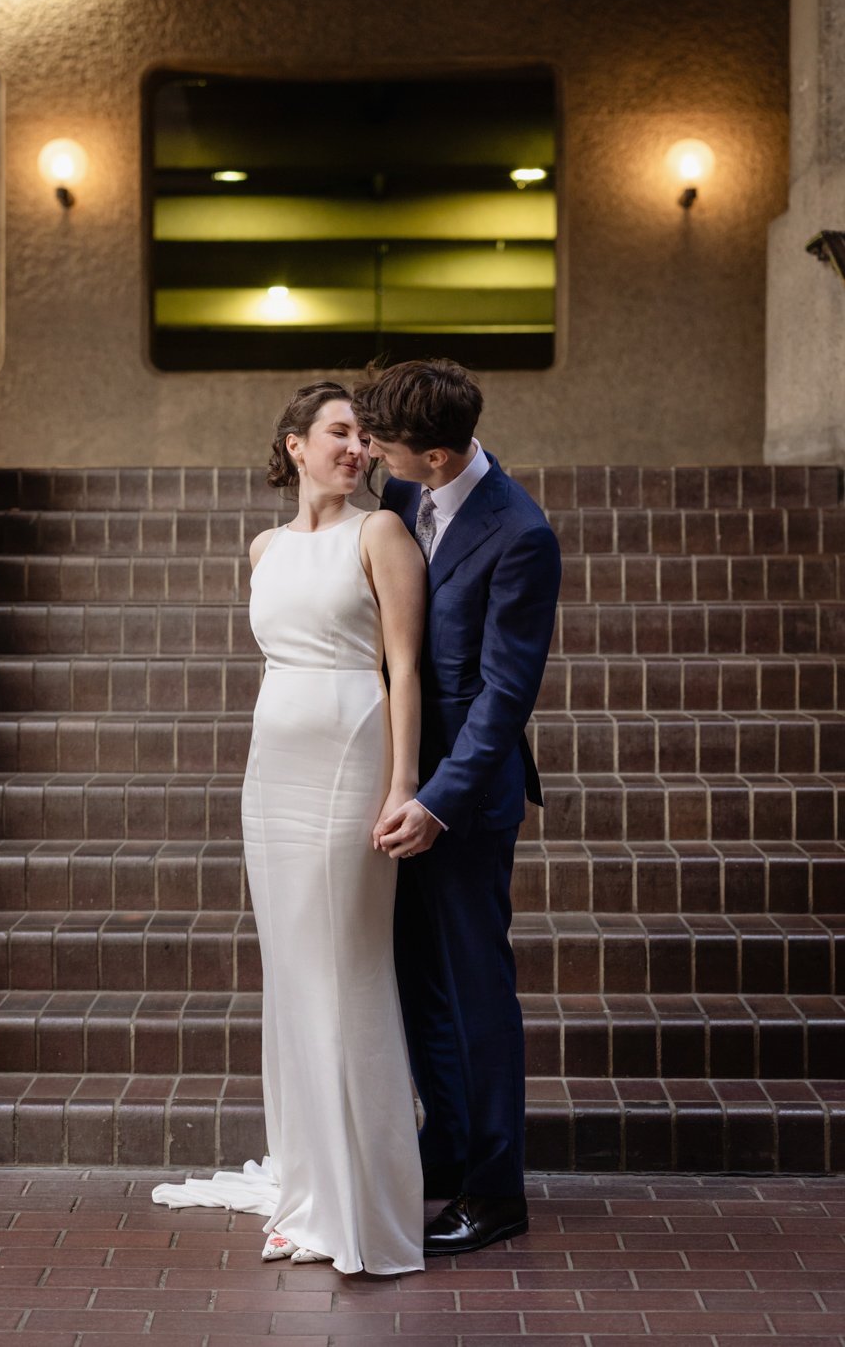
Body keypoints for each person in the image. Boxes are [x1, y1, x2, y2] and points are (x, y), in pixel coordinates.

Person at [152, 381, 427, 1277]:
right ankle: (306, 1187)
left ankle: (364, 1204)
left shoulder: (382, 533)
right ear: (295, 445)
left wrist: (404, 782)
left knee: (347, 972)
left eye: (363, 436)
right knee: (293, 977)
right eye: (339, 432)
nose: (355, 447)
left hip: (353, 760)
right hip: (272, 771)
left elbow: (405, 668)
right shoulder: (264, 546)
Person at [352, 358, 562, 1257]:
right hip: (392, 786)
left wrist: (437, 798)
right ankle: (440, 1151)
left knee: (479, 996)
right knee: (415, 985)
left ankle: (495, 1189)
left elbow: (504, 696)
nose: (370, 455)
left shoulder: (521, 534)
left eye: (384, 446)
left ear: (435, 456)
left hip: (465, 803)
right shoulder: (402, 506)